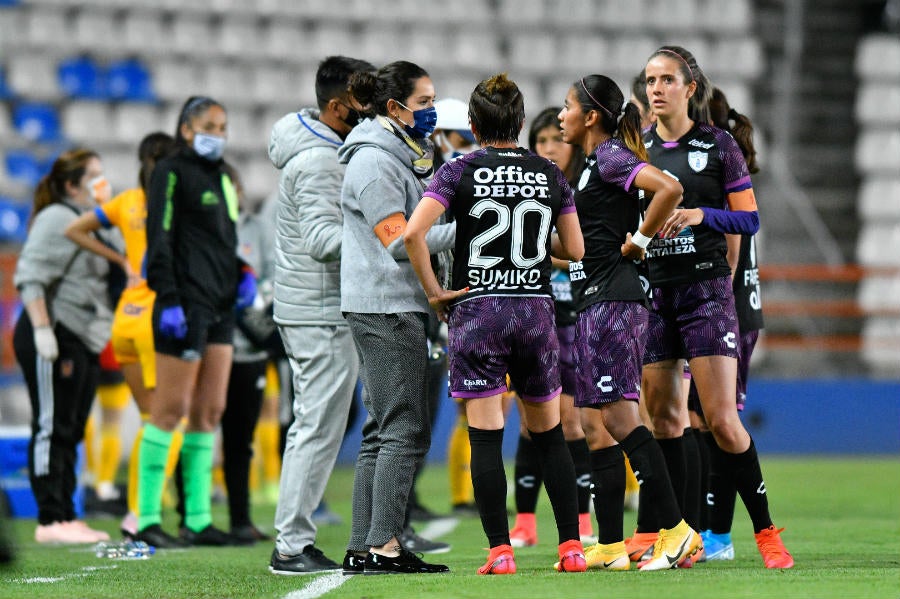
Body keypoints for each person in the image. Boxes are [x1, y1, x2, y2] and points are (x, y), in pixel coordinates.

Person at [404, 73, 588, 575]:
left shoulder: (458, 170)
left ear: (472, 122)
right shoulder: (549, 172)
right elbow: (575, 249)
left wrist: (434, 293)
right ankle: (572, 548)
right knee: (550, 435)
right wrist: (534, 245)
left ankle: (500, 552)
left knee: (485, 437)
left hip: (478, 310)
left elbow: (414, 234)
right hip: (535, 311)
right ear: (522, 121)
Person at [638, 45, 792, 569]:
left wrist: (703, 215)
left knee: (722, 421)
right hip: (656, 294)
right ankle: (680, 536)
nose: (656, 89)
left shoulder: (718, 145)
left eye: (666, 80)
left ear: (690, 88)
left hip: (705, 293)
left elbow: (749, 220)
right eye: (650, 80)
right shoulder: (635, 149)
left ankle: (767, 533)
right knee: (664, 421)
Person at [557, 73, 702, 571]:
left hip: (615, 300)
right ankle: (611, 544)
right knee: (593, 421)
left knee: (620, 418)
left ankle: (678, 531)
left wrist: (639, 241)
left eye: (568, 107)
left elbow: (670, 188)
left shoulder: (611, 157)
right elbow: (582, 244)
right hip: (595, 299)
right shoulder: (589, 165)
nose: (561, 116)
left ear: (590, 116)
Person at [338, 60, 453, 575]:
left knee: (382, 430)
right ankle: (385, 545)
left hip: (386, 302)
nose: (431, 110)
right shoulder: (374, 162)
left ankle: (363, 545)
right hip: (386, 304)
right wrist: (474, 230)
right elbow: (399, 242)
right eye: (424, 102)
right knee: (404, 428)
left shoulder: (394, 154)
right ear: (394, 107)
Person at [266, 55, 375, 575]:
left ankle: (294, 539)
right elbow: (320, 240)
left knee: (317, 426)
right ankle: (291, 545)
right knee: (315, 428)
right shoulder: (319, 160)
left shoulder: (325, 149)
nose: (371, 111)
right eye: (362, 102)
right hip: (319, 310)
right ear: (336, 107)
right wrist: (383, 232)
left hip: (317, 306)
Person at [136, 96, 256, 548]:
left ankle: (198, 519)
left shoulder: (222, 175)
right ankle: (147, 518)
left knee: (209, 411)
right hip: (185, 305)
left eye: (223, 127)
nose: (218, 135)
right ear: (186, 129)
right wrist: (168, 297)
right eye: (210, 126)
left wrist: (243, 272)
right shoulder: (170, 172)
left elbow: (224, 238)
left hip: (222, 307)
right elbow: (159, 238)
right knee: (169, 411)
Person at [64, 132, 182, 539]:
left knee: (149, 419)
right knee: (169, 421)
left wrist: (120, 260)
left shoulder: (127, 201)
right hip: (157, 317)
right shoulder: (173, 204)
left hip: (125, 319)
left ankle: (133, 505)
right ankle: (142, 509)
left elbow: (75, 230)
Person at [12, 148, 114, 544]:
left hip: (84, 337)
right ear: (72, 185)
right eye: (93, 176)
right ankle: (49, 519)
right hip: (54, 332)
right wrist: (42, 329)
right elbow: (30, 276)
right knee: (51, 424)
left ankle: (68, 514)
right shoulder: (57, 217)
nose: (101, 182)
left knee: (72, 428)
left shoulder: (92, 220)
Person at [508, 106, 594, 548]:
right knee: (530, 424)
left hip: (577, 320)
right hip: (536, 315)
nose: (548, 148)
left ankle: (582, 519)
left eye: (554, 140)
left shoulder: (585, 186)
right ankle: (524, 521)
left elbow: (585, 251)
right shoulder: (528, 187)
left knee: (573, 424)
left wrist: (547, 252)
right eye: (539, 141)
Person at [696, 86, 766, 562]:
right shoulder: (726, 170)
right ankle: (710, 531)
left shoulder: (717, 172)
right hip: (739, 312)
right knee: (708, 423)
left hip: (726, 312)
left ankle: (718, 534)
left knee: (716, 423)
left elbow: (730, 257)